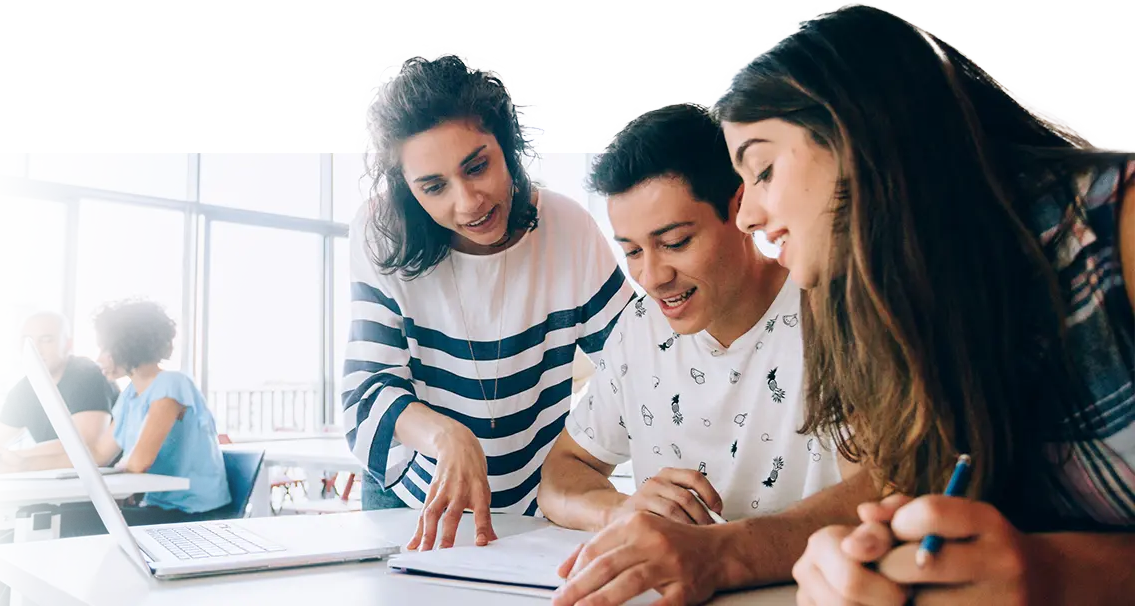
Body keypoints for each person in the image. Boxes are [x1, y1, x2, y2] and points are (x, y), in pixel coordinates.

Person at [711, 3, 1135, 605]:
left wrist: (1062, 575)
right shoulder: (884, 311)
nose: (748, 216)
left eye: (763, 169)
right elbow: (915, 505)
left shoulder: (1118, 227)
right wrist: (873, 564)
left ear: (862, 129)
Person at [544, 103, 871, 606]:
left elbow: (881, 489)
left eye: (674, 242)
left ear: (741, 208)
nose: (652, 278)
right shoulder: (638, 329)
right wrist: (621, 511)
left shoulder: (832, 311)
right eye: (632, 251)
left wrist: (717, 550)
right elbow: (562, 472)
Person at [343, 53, 634, 551]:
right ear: (409, 191)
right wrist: (444, 435)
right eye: (433, 187)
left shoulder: (568, 230)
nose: (468, 202)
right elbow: (367, 393)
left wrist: (585, 461)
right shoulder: (382, 234)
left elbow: (640, 365)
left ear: (509, 145)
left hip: (534, 499)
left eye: (477, 166)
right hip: (413, 502)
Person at [0, 299, 232, 604]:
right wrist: (20, 464)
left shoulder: (172, 384)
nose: (99, 358)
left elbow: (139, 462)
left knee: (17, 555)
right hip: (156, 510)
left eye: (105, 348)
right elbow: (97, 454)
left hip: (191, 517)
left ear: (127, 346)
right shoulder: (130, 396)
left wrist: (37, 463)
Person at [0, 310, 117, 606]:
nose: (36, 347)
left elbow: (83, 445)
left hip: (96, 505)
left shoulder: (86, 375)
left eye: (47, 339)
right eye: (28, 339)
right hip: (49, 502)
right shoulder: (25, 389)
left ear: (68, 343)